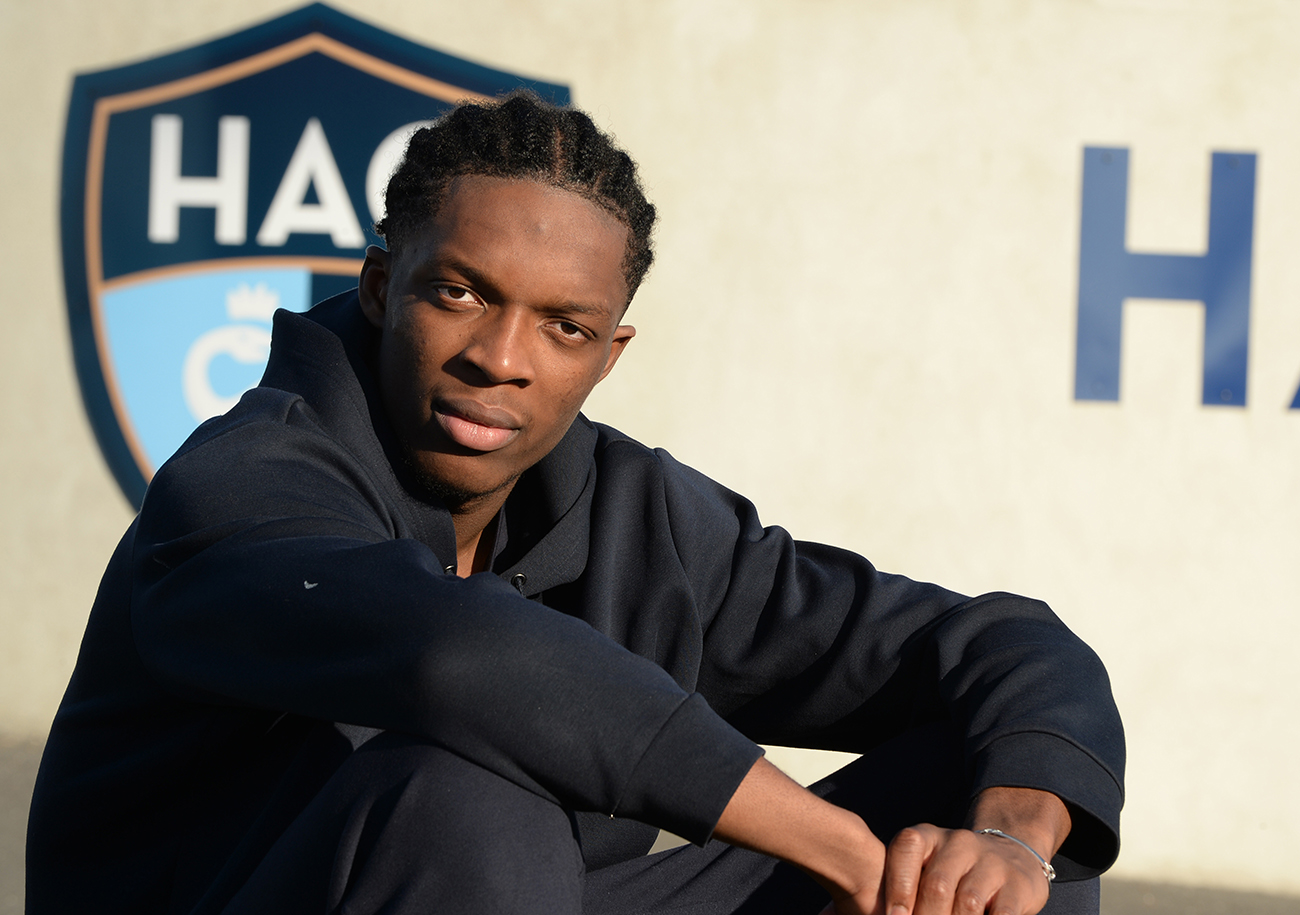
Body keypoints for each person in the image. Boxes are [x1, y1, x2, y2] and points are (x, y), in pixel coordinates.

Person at [27, 92, 1123, 915]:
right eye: (460, 293)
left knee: (993, 842)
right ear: (379, 288)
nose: (501, 359)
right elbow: (459, 658)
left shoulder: (635, 516)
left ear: (610, 352)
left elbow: (998, 641)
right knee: (461, 789)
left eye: (564, 327)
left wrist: (1012, 839)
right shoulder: (249, 481)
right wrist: (844, 857)